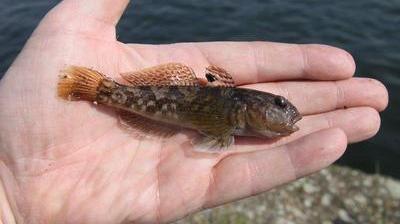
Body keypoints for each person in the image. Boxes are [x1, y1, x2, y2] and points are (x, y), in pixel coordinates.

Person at [0, 0, 388, 223]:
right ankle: (98, 88)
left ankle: (103, 90)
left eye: (282, 106)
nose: (285, 112)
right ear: (252, 107)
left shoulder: (236, 113)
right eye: (279, 105)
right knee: (126, 92)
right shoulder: (231, 111)